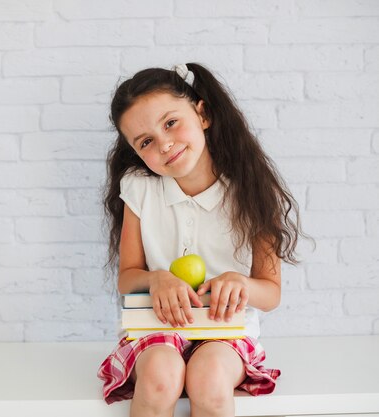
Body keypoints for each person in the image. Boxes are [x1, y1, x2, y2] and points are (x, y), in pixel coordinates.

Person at [97, 63, 306, 417]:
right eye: (146, 141)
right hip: (157, 328)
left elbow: (270, 293)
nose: (164, 145)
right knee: (162, 377)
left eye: (170, 123)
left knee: (208, 378)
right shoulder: (140, 189)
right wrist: (154, 278)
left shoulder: (252, 189)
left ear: (202, 114)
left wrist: (239, 283)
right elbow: (127, 276)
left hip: (226, 332)